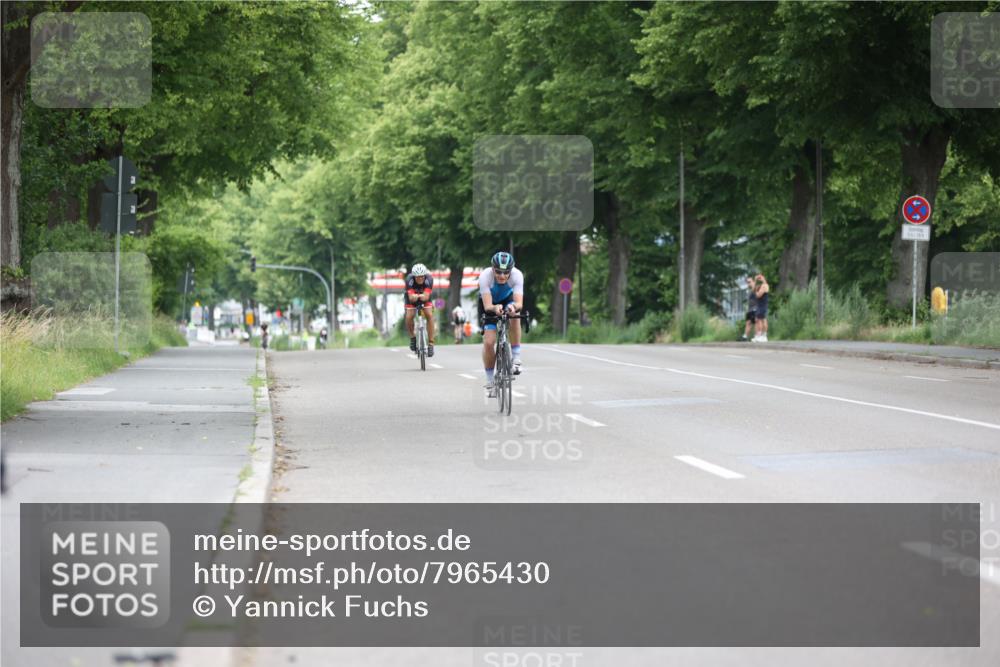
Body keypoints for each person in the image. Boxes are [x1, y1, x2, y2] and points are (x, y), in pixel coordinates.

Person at [479, 251, 524, 395]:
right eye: (498, 272)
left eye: (506, 272)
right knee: (489, 343)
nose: (502, 276)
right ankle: (490, 381)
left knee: (515, 315)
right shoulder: (485, 276)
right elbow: (487, 306)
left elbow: (519, 303)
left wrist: (513, 307)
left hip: (507, 300)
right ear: (493, 269)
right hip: (489, 303)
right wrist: (494, 308)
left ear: (511, 270)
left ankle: (516, 358)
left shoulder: (517, 275)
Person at [404, 263, 435, 356]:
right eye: (417, 277)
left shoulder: (429, 279)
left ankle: (431, 343)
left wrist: (418, 296)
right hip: (411, 299)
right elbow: (411, 298)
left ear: (424, 275)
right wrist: (417, 296)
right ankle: (412, 337)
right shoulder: (409, 280)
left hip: (425, 297)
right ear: (414, 276)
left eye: (422, 276)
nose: (420, 278)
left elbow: (426, 297)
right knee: (409, 316)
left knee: (429, 315)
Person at [753, 274, 769, 342]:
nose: (759, 279)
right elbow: (754, 290)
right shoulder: (761, 286)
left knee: (762, 320)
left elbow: (758, 295)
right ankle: (759, 335)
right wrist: (755, 281)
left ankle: (764, 336)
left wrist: (756, 292)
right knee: (758, 319)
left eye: (760, 278)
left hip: (763, 305)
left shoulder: (764, 286)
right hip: (759, 305)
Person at [742, 276, 758, 341]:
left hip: (755, 308)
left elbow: (754, 288)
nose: (748, 283)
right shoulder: (749, 289)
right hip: (750, 309)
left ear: (753, 281)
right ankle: (745, 337)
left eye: (749, 282)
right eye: (747, 282)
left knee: (756, 322)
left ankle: (757, 336)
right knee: (748, 322)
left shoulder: (755, 288)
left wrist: (755, 282)